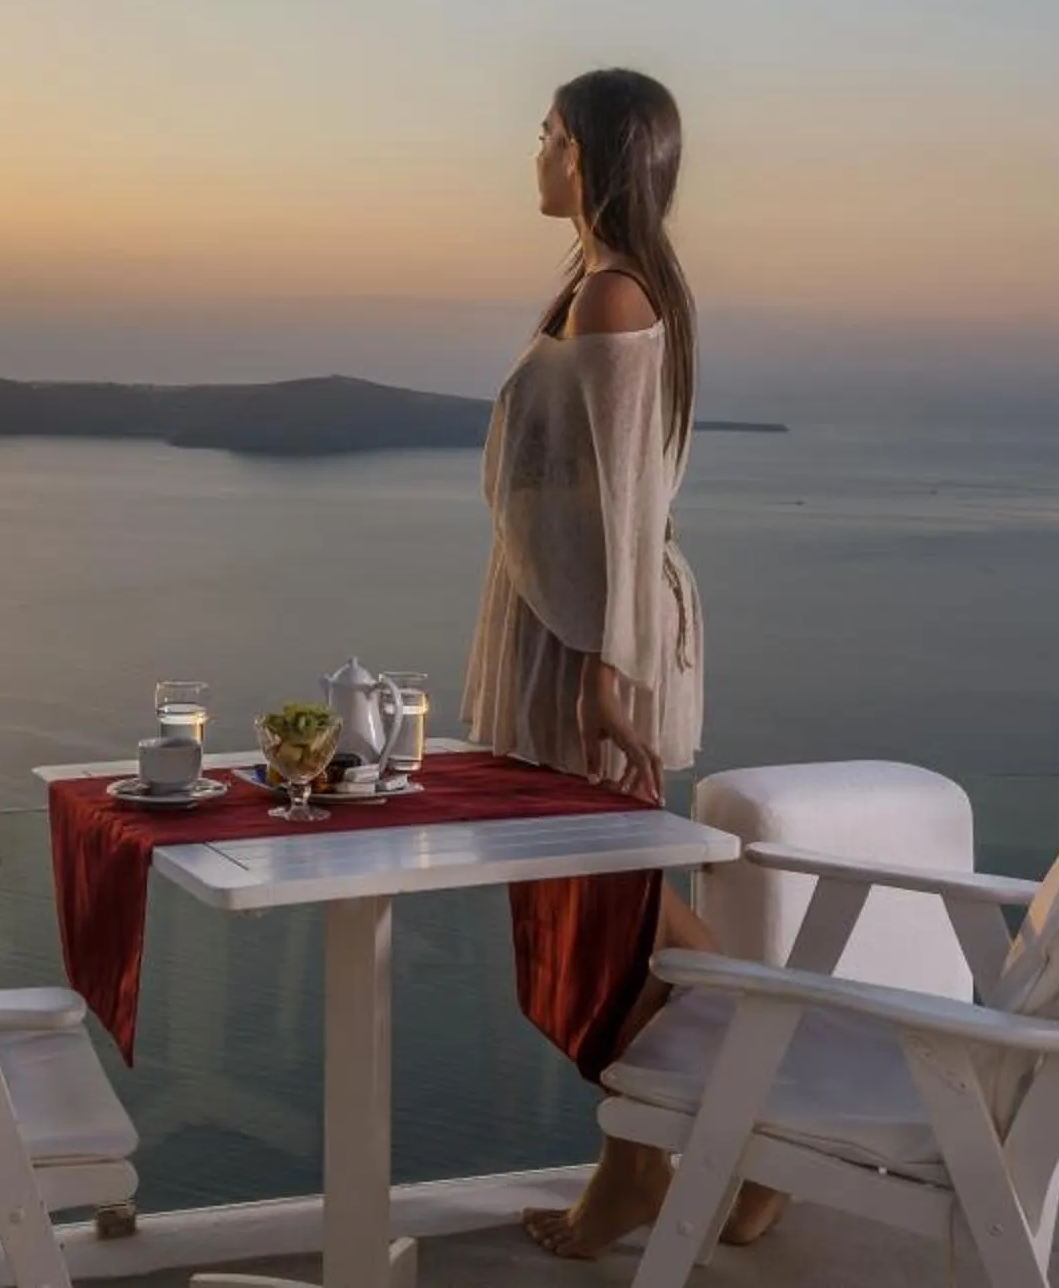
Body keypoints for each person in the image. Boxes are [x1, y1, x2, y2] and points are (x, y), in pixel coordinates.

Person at [462, 66, 785, 1259]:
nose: (534, 150)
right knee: (617, 908)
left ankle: (656, 1162)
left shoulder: (613, 299)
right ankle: (750, 1134)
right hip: (570, 631)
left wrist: (604, 665)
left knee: (609, 916)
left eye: (549, 134)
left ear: (595, 153)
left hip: (590, 646)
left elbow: (616, 499)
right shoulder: (601, 287)